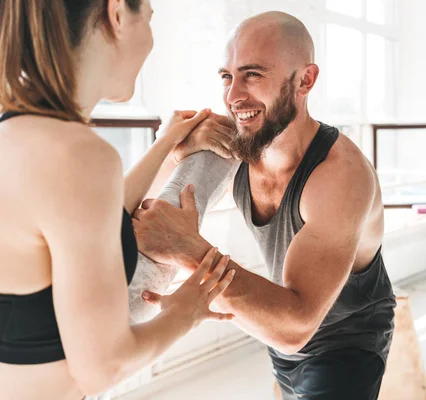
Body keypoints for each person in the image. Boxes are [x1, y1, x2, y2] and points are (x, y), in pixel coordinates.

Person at [134, 11, 397, 400]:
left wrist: (188, 250)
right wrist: (175, 151)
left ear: (305, 80)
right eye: (228, 76)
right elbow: (143, 209)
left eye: (253, 75)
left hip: (346, 341)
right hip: (277, 325)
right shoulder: (241, 140)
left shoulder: (340, 176)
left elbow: (296, 326)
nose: (233, 96)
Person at [0, 1, 235, 399]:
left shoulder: (18, 132)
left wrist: (165, 145)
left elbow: (81, 217)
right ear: (117, 15)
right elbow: (103, 367)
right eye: (149, 17)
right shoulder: (77, 155)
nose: (151, 40)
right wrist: (187, 309)